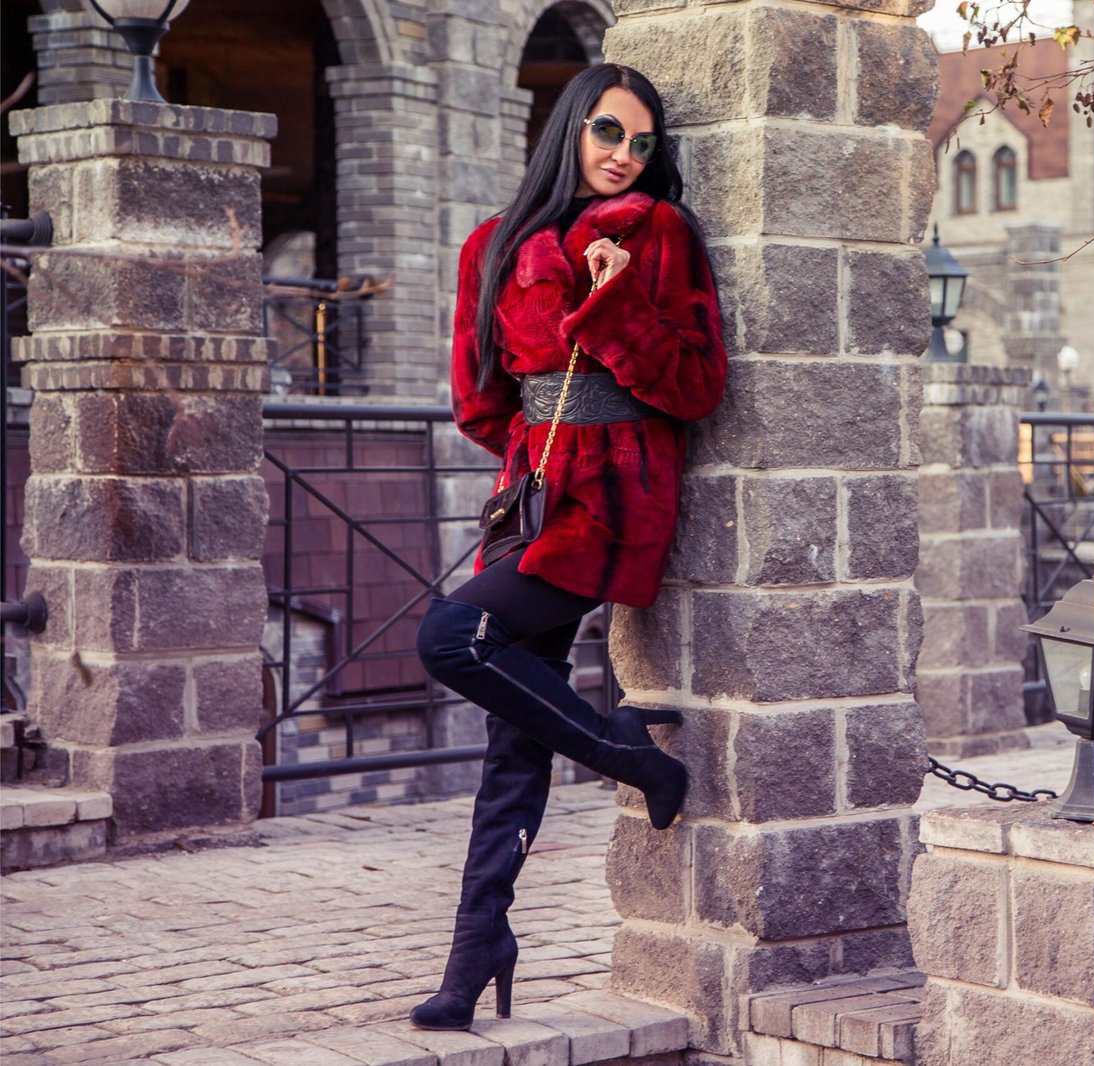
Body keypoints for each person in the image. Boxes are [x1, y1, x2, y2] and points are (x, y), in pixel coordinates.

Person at [409, 63, 726, 1032]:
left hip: (616, 495)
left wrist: (617, 304)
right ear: (570, 130)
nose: (624, 155)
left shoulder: (661, 234)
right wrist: (535, 446)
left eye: (642, 142)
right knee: (514, 737)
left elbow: (697, 386)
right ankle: (476, 952)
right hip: (532, 494)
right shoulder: (492, 246)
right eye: (607, 132)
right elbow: (479, 402)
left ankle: (633, 754)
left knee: (450, 638)